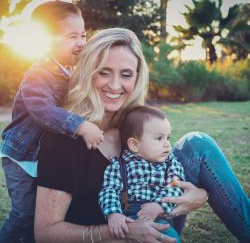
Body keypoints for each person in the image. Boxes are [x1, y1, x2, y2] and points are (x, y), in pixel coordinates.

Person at [34, 28, 250, 243]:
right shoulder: (65, 138)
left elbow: (163, 174)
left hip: (153, 216)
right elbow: (45, 233)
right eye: (104, 72)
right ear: (88, 72)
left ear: (137, 78)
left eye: (126, 74)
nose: (115, 85)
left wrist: (199, 196)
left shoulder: (136, 123)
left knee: (198, 144)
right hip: (111, 237)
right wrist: (122, 232)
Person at [0, 1, 104, 243]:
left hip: (40, 155)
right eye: (72, 36)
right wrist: (80, 125)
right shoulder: (38, 74)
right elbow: (43, 110)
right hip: (22, 157)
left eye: (82, 34)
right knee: (24, 214)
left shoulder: (69, 72)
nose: (81, 42)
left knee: (41, 214)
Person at [99, 105, 185, 242]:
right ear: (134, 144)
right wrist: (113, 213)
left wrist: (159, 206)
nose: (167, 144)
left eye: (168, 137)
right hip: (128, 220)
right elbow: (110, 190)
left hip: (159, 218)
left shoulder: (170, 163)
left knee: (170, 239)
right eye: (159, 138)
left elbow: (176, 185)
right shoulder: (119, 165)